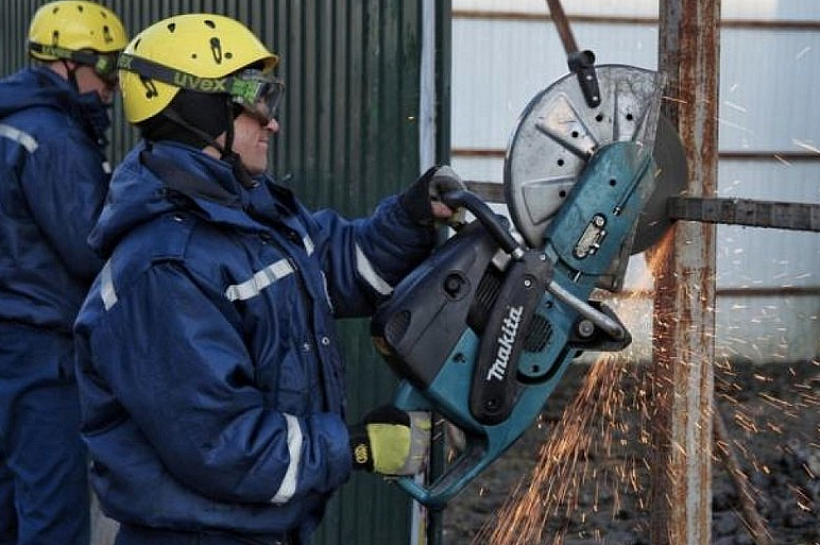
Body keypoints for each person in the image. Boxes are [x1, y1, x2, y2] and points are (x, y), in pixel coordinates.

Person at [73, 13, 462, 545]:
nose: (272, 121)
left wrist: (412, 215)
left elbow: (339, 268)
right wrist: (354, 447)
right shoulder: (164, 268)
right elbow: (220, 444)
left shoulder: (250, 214)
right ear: (199, 109)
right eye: (258, 99)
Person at [0, 2, 127, 544]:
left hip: (9, 341)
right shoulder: (53, 139)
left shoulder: (10, 120)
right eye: (107, 70)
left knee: (8, 504)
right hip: (41, 353)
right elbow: (88, 246)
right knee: (52, 517)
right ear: (71, 62)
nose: (112, 88)